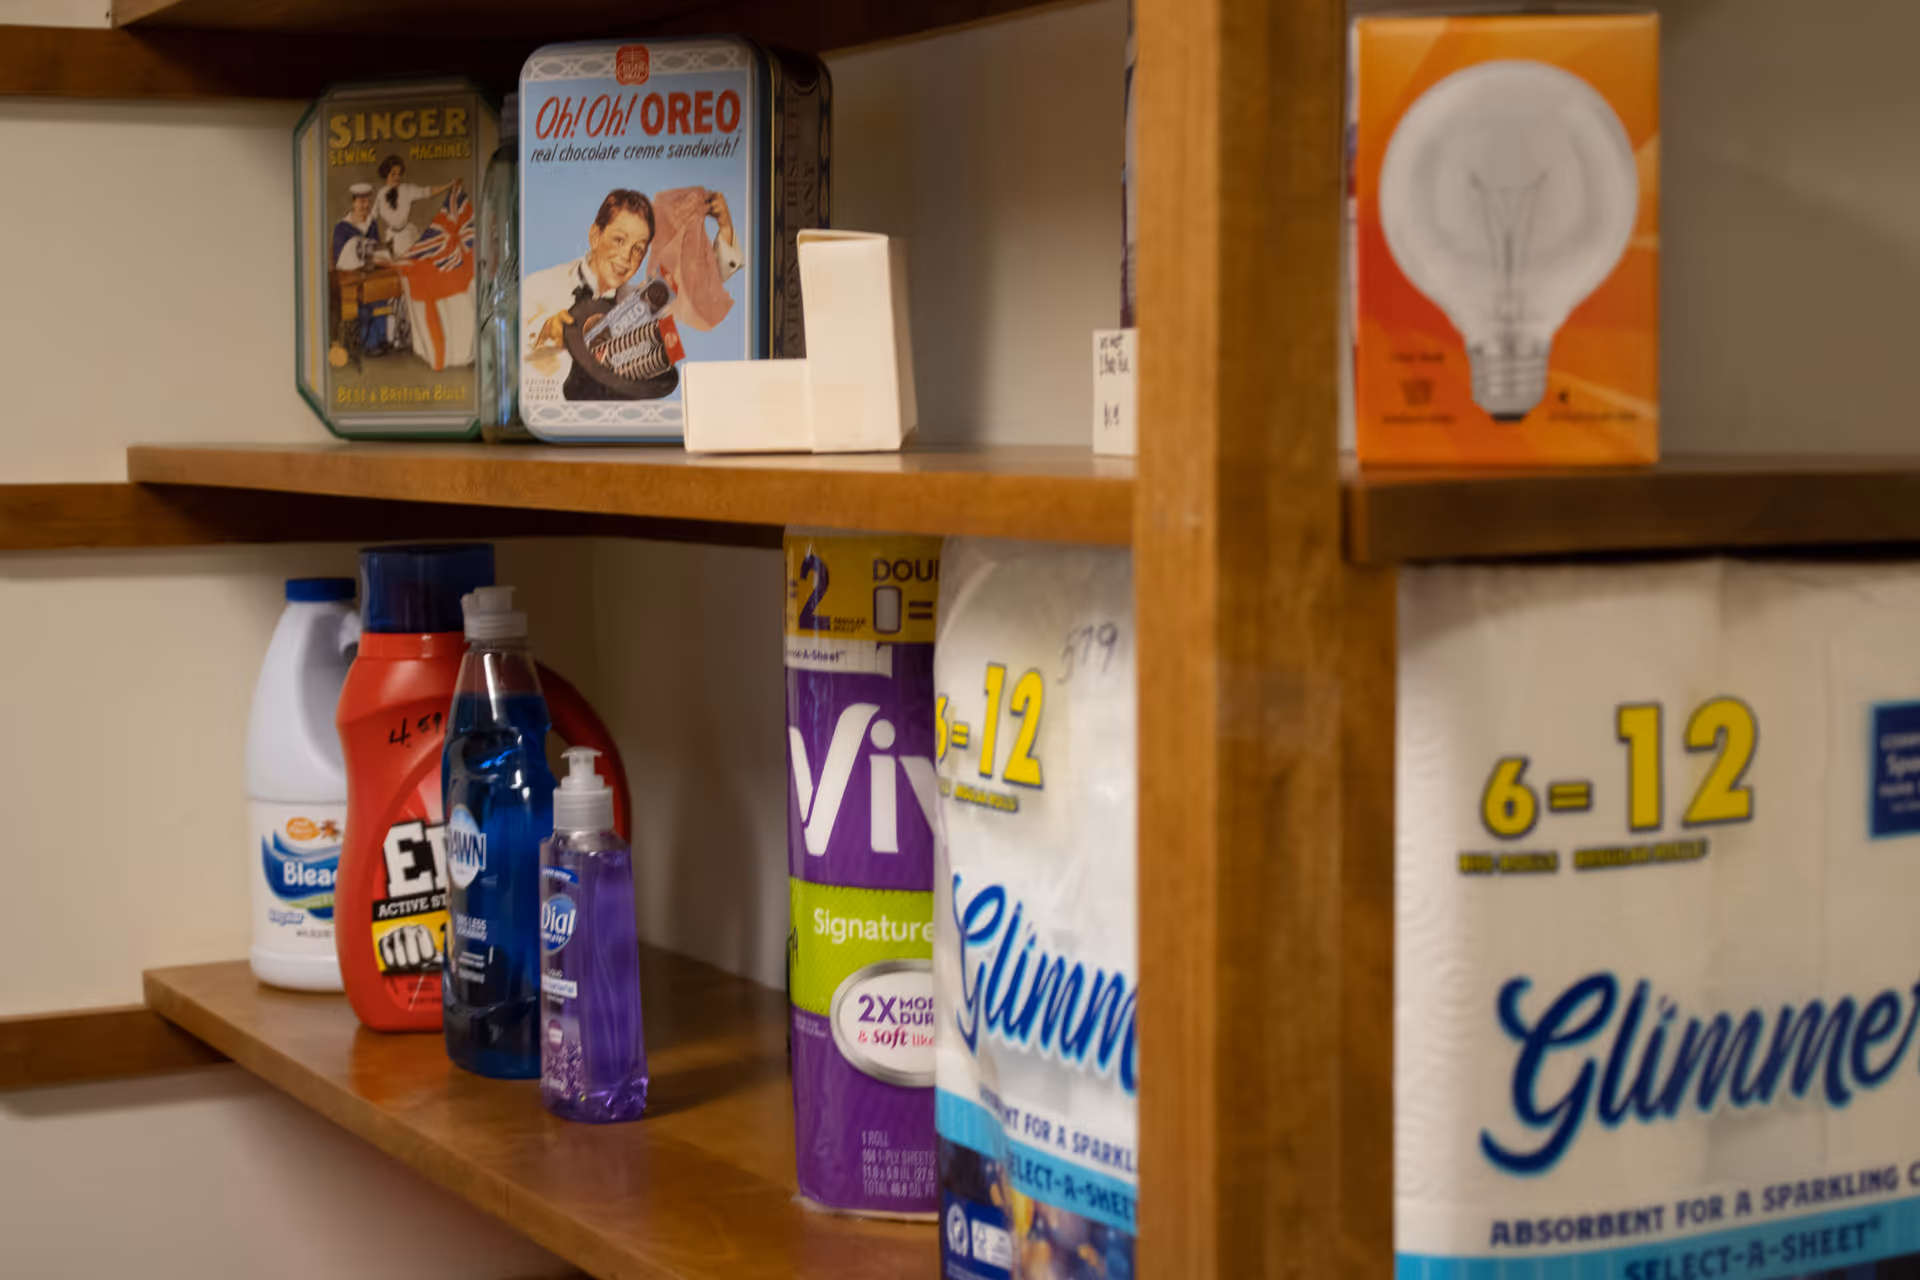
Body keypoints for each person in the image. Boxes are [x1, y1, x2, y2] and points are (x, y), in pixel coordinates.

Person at [521, 187, 742, 398]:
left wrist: (725, 227)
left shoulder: (641, 304)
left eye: (638, 248)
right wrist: (545, 331)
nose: (627, 257)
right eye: (619, 240)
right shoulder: (539, 286)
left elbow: (700, 288)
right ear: (595, 236)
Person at [375, 155, 455, 257]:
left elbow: (427, 191)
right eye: (393, 174)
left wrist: (448, 186)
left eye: (399, 174)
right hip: (391, 237)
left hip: (406, 236)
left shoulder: (406, 190)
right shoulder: (380, 194)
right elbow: (371, 217)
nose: (397, 177)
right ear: (386, 175)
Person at [331, 182, 380, 270]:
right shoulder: (342, 227)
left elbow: (377, 248)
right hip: (349, 273)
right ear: (353, 203)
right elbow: (338, 257)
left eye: (369, 202)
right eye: (362, 202)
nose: (366, 205)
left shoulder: (372, 224)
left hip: (370, 271)